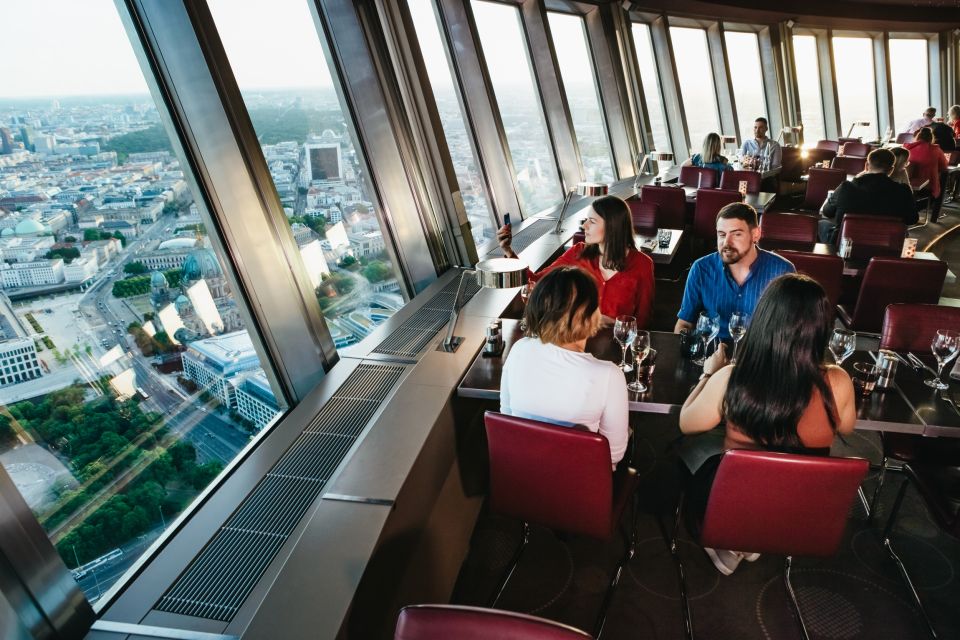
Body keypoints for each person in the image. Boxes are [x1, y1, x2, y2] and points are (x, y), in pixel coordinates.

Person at [678, 273, 857, 574]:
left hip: (736, 502)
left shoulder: (733, 377)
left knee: (688, 451)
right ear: (821, 328)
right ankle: (754, 539)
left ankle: (730, 537)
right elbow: (847, 428)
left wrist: (708, 374)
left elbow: (687, 423)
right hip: (799, 508)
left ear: (764, 319)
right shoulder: (838, 382)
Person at [500, 266, 629, 468]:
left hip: (521, 481)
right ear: (593, 314)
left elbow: (508, 419)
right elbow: (613, 456)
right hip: (580, 491)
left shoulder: (518, 350)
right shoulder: (610, 375)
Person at [496, 195, 655, 328]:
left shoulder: (643, 264)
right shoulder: (577, 252)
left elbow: (643, 319)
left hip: (616, 344)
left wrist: (614, 324)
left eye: (592, 221)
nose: (584, 225)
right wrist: (508, 251)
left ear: (613, 226)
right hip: (575, 341)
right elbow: (537, 280)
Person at [675, 202, 794, 339]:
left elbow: (788, 330)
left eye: (736, 234)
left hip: (761, 354)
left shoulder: (782, 271)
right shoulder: (701, 268)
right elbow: (684, 323)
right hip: (711, 352)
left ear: (755, 234)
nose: (726, 243)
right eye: (722, 234)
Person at [819, 148, 917, 243]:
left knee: (821, 224)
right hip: (887, 246)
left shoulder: (846, 187)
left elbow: (827, 212)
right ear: (891, 170)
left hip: (846, 245)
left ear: (866, 166)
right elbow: (912, 218)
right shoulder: (903, 191)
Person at [904, 127, 948, 219]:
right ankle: (934, 212)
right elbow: (944, 167)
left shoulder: (906, 148)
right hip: (927, 187)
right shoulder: (936, 149)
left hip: (906, 184)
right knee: (942, 179)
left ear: (917, 137)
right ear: (931, 138)